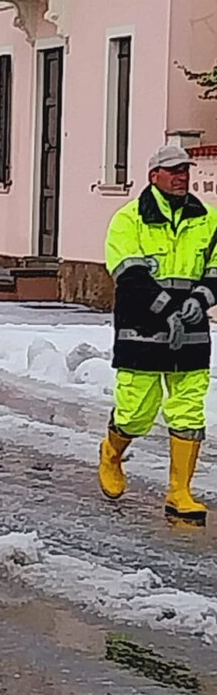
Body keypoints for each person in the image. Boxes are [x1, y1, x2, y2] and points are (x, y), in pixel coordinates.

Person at [99, 143, 217, 524]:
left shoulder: (209, 220)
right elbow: (130, 278)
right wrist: (169, 309)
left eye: (185, 170)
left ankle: (180, 492)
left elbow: (216, 269)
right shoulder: (128, 220)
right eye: (173, 171)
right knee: (136, 414)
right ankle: (112, 454)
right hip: (142, 331)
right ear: (154, 177)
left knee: (188, 412)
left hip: (193, 333)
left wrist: (201, 300)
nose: (182, 176)